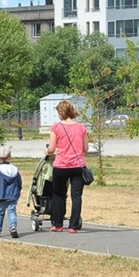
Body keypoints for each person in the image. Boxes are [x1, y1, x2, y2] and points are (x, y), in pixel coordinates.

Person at [46, 99, 88, 233]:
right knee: (76, 196)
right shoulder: (81, 127)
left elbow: (52, 149)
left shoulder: (56, 127)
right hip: (78, 166)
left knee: (58, 195)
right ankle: (73, 226)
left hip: (61, 165)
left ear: (60, 112)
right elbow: (85, 148)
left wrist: (46, 151)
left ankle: (58, 224)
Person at [0, 145, 22, 238]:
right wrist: (18, 190)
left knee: (0, 213)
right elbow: (19, 181)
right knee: (12, 212)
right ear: (9, 157)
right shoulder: (14, 169)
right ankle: (13, 227)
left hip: (1, 195)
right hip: (13, 195)